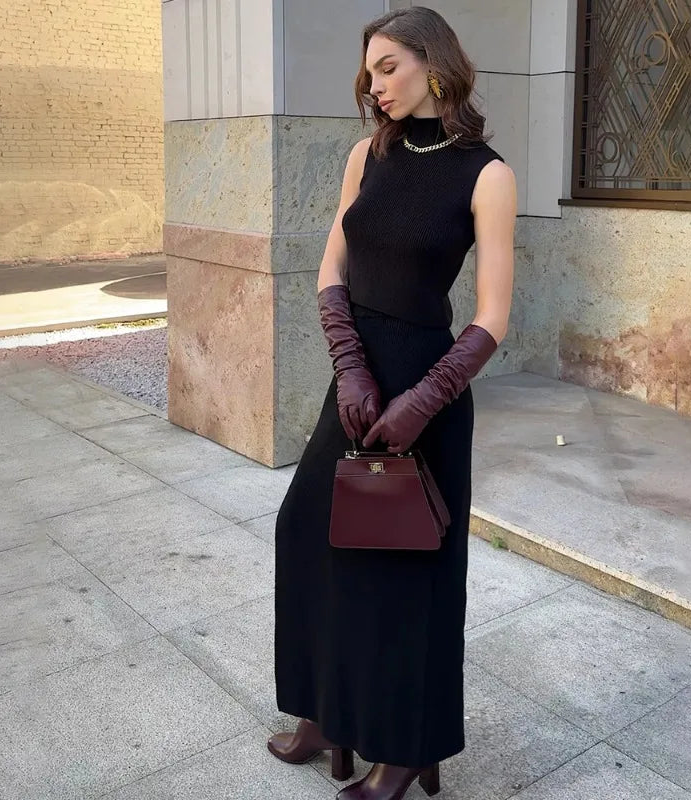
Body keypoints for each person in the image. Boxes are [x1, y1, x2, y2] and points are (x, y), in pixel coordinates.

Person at [267, 6, 516, 799]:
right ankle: (323, 711)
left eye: (388, 67)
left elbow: (493, 316)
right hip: (356, 382)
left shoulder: (488, 174)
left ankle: (406, 748)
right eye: (368, 71)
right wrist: (349, 369)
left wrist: (424, 399)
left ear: (434, 65)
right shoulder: (366, 155)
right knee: (307, 532)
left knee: (407, 576)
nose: (373, 85)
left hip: (425, 390)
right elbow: (331, 269)